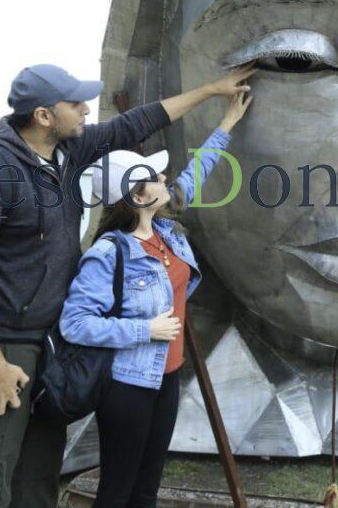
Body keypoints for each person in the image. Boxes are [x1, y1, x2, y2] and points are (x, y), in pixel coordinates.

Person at [0, 62, 255, 508]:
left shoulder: (69, 155)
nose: (87, 109)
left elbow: (136, 122)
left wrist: (211, 90)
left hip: (53, 346)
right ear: (45, 116)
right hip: (3, 343)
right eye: (75, 103)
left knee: (38, 477)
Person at [59, 90, 252, 507]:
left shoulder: (164, 232)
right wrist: (145, 328)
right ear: (138, 197)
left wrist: (227, 125)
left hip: (167, 378)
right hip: (129, 385)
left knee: (147, 489)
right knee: (117, 490)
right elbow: (75, 323)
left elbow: (194, 175)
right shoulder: (109, 252)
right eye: (156, 178)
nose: (166, 180)